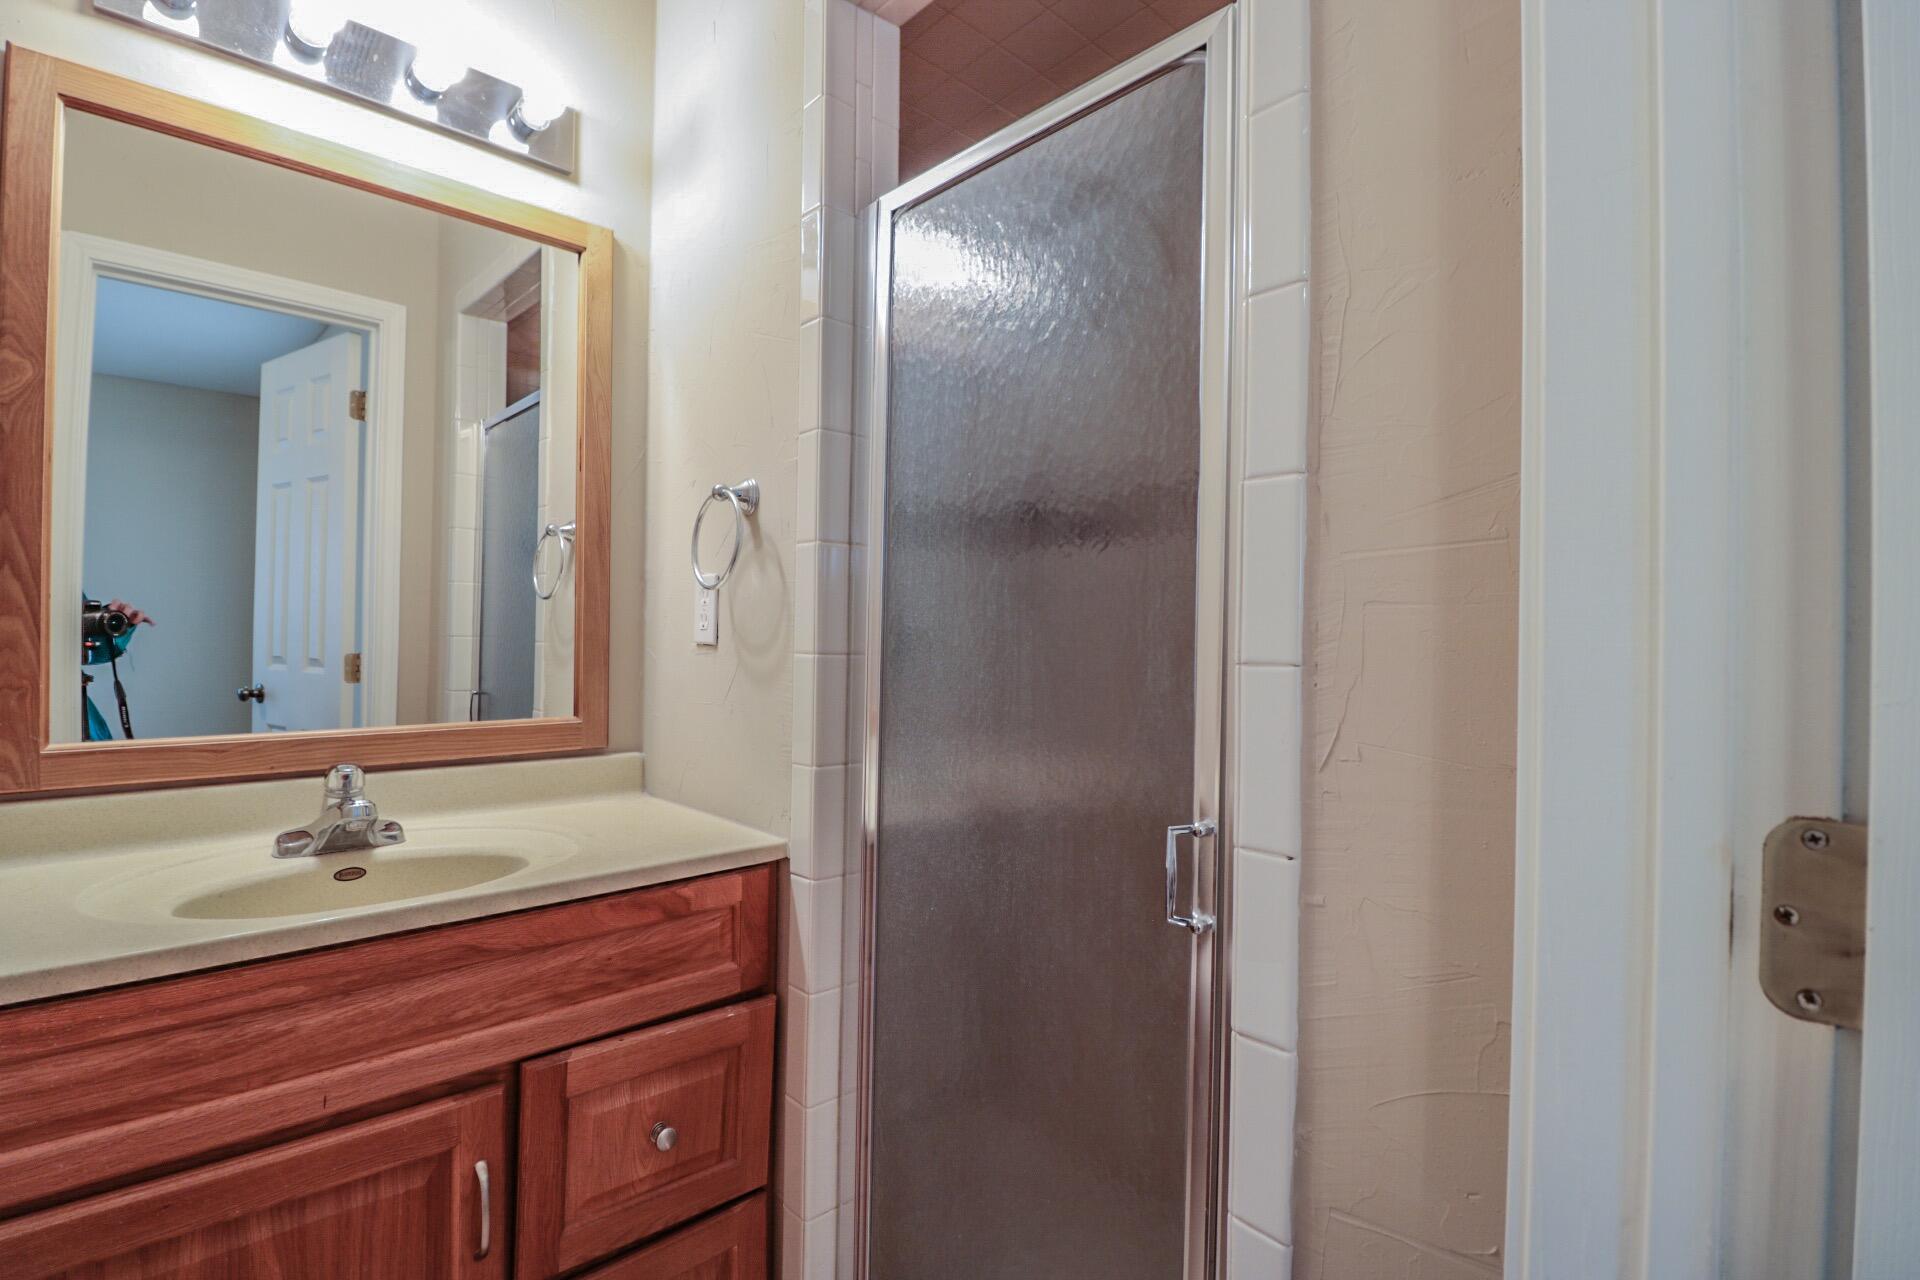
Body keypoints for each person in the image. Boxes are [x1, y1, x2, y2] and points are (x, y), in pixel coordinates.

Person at [81, 598, 154, 741]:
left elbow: (90, 651)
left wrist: (121, 628)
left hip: (70, 704)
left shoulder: (68, 589)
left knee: (101, 754)